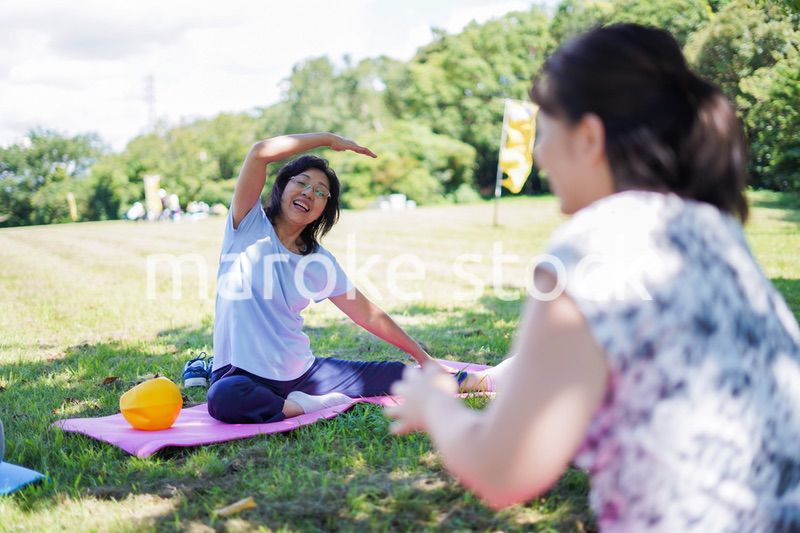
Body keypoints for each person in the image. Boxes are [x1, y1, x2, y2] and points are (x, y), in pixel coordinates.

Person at [386, 24, 800, 532]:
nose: (538, 152)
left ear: (588, 137)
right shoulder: (715, 230)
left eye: (546, 129)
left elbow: (502, 471)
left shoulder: (592, 244)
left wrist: (437, 404)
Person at [206, 132, 485, 423]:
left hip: (302, 373)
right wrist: (328, 139)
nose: (308, 193)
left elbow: (368, 315)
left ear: (324, 209)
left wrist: (424, 358)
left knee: (394, 374)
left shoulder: (318, 261)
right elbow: (259, 152)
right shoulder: (248, 224)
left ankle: (481, 381)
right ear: (281, 186)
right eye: (301, 183)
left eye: (320, 192)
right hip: (242, 375)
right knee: (224, 398)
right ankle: (303, 407)